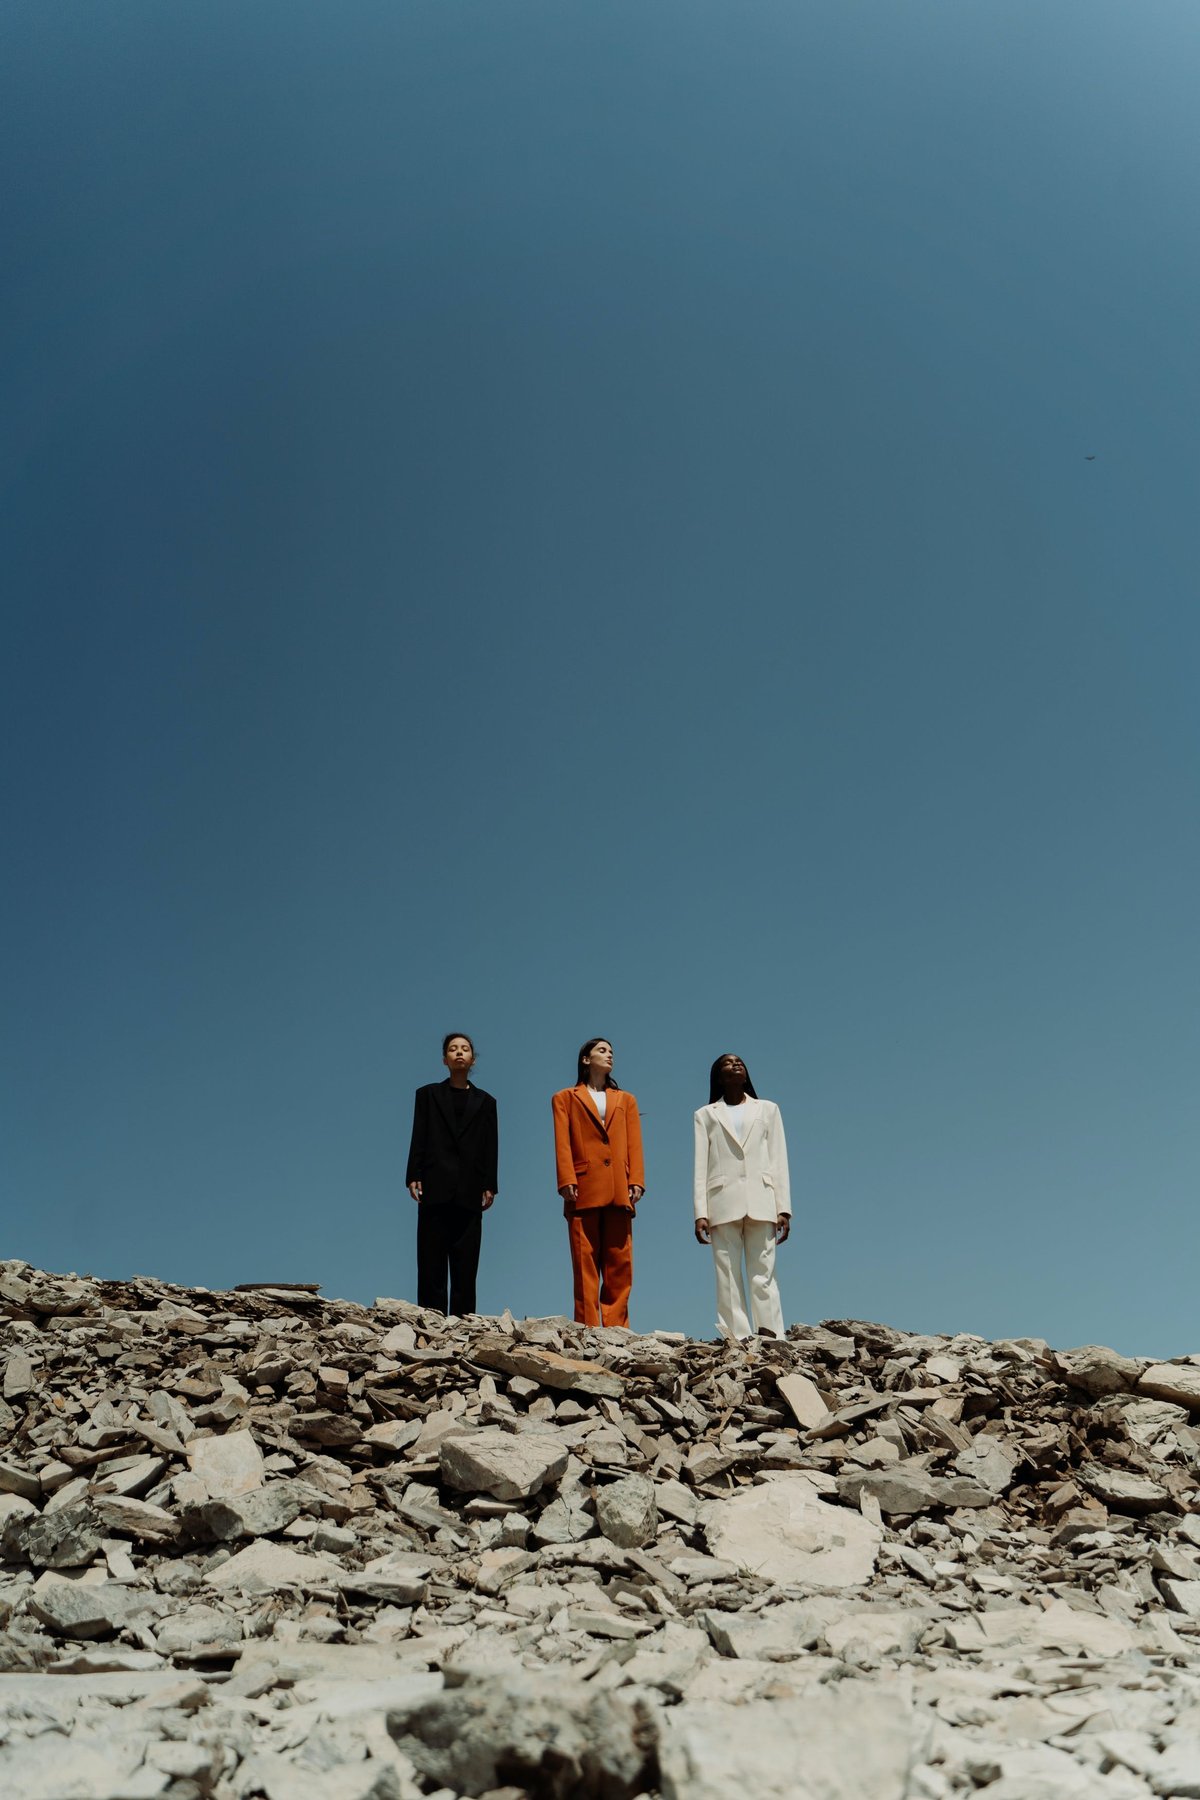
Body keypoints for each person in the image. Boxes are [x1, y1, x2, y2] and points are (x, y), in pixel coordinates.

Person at [693, 1052, 790, 1339]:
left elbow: (778, 1159)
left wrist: (783, 1206)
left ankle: (772, 1333)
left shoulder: (768, 1109)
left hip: (763, 1198)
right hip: (721, 1201)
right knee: (727, 1276)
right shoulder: (705, 1115)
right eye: (728, 1063)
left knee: (764, 1273)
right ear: (718, 1077)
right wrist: (700, 1211)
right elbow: (700, 1165)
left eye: (740, 1062)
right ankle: (738, 1336)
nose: (736, 1065)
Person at [552, 1039, 645, 1327]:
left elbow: (634, 1143)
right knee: (585, 1263)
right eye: (602, 1051)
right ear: (585, 1059)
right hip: (582, 1186)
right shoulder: (565, 1097)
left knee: (620, 1263)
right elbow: (562, 1142)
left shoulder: (626, 1099)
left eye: (611, 1052)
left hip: (619, 1187)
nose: (609, 1055)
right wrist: (566, 1178)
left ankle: (618, 1327)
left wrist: (637, 1179)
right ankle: (588, 1327)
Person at [405, 1033, 498, 1316]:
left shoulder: (486, 1102)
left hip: (470, 1188)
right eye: (453, 1049)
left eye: (465, 1049)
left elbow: (490, 1145)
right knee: (431, 1258)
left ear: (472, 1059)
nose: (459, 1053)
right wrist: (413, 1174)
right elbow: (418, 1135)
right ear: (445, 1060)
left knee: (466, 1261)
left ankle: (463, 1321)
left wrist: (490, 1184)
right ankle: (430, 1319)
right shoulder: (427, 1095)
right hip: (435, 1184)